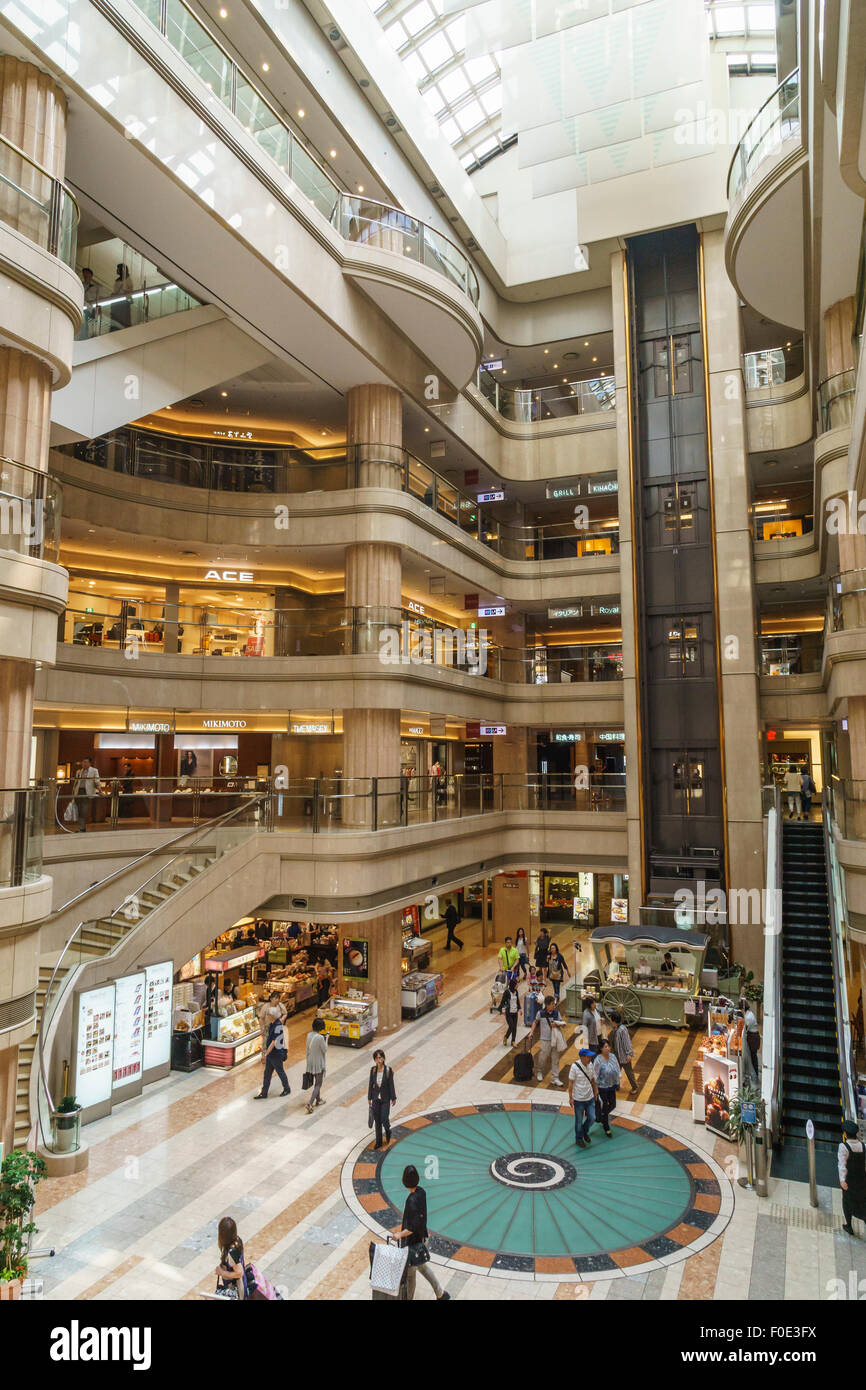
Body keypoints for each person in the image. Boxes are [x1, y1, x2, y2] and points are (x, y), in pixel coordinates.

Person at [393, 1165, 450, 1301]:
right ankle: (440, 1294)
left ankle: (410, 1298)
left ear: (404, 1181)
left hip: (412, 1244)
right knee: (422, 1267)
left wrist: (398, 1235)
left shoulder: (411, 1200)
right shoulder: (421, 1192)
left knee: (411, 1275)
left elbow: (411, 1228)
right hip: (422, 1238)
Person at [529, 995, 566, 1086]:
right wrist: (531, 1032)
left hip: (555, 1040)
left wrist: (557, 1025)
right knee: (543, 1057)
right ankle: (539, 1071)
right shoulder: (540, 1013)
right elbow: (535, 1022)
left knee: (555, 1059)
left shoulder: (557, 1013)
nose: (554, 1005)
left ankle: (555, 1078)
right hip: (545, 1040)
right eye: (553, 1004)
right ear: (547, 1005)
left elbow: (562, 1024)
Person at [255, 1010, 290, 1099]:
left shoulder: (277, 1026)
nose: (267, 1016)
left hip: (276, 1054)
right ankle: (264, 1092)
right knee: (267, 1073)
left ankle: (287, 1089)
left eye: (268, 1014)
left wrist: (265, 1054)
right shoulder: (273, 1024)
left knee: (280, 1072)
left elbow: (274, 1042)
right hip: (272, 1054)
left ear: (273, 1016)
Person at [838, 1119, 865, 1236]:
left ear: (845, 1134)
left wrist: (842, 1180)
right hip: (862, 1179)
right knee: (863, 1201)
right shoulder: (863, 1146)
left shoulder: (843, 1147)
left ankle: (849, 1225)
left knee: (847, 1202)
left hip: (850, 1180)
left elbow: (842, 1164)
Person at [567, 1047, 598, 1149]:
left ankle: (584, 1131)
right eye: (588, 1056)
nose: (590, 1058)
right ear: (582, 1057)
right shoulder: (574, 1067)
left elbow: (593, 1080)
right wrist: (570, 1097)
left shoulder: (590, 1065)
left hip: (590, 1098)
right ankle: (579, 1138)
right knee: (579, 1121)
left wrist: (596, 1091)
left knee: (592, 1117)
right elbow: (571, 1083)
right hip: (579, 1100)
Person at [592, 1038, 621, 1137]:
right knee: (604, 1104)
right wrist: (595, 1089)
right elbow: (594, 1075)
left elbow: (617, 1068)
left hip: (612, 1085)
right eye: (605, 1047)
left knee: (613, 1104)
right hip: (602, 1087)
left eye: (608, 1046)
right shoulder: (598, 1060)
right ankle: (606, 1126)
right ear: (601, 1049)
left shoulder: (613, 1056)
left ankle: (601, 1116)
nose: (608, 1048)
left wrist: (618, 1081)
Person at [368, 1049, 397, 1149]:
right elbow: (371, 1084)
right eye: (376, 1058)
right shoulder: (373, 1070)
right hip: (376, 1099)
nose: (378, 1060)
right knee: (377, 1121)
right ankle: (378, 1141)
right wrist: (369, 1097)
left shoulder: (388, 1070)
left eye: (380, 1057)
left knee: (384, 1118)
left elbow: (391, 1085)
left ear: (383, 1058)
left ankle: (388, 1131)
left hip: (385, 1099)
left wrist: (393, 1098)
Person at [216, 1216, 247, 1298]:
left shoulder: (231, 1252)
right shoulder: (237, 1240)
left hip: (235, 1290)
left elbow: (239, 1273)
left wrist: (222, 1272)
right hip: (240, 1285)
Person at [610, 1013, 639, 1093]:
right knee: (615, 1071)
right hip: (616, 1054)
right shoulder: (615, 1028)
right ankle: (617, 1085)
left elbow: (627, 1042)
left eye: (611, 1019)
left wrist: (629, 1054)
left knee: (629, 1072)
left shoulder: (622, 1030)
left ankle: (635, 1087)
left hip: (624, 1055)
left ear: (614, 1020)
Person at [304, 1016, 328, 1113]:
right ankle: (310, 1103)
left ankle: (318, 1100)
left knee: (316, 1082)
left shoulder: (309, 1035)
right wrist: (327, 1039)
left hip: (310, 1062)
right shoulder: (320, 1038)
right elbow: (325, 1049)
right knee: (318, 1084)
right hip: (318, 1063)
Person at [72, 756, 101, 832]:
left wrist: (100, 790)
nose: (83, 764)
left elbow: (97, 781)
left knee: (83, 811)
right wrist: (73, 792)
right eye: (83, 762)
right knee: (78, 810)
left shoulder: (94, 770)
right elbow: (76, 782)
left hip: (87, 792)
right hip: (78, 792)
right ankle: (81, 828)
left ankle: (82, 828)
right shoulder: (79, 771)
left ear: (89, 763)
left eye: (85, 762)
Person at [740, 996, 761, 1084]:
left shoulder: (748, 1017)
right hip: (753, 1037)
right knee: (753, 1057)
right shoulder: (749, 1013)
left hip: (753, 1038)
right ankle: (754, 1075)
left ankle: (755, 1076)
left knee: (753, 1057)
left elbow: (745, 1029)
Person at [498, 975, 520, 1047]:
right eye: (516, 985)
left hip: (515, 1012)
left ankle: (513, 1041)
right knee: (511, 1026)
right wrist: (502, 1010)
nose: (517, 986)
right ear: (513, 985)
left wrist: (520, 1009)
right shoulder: (507, 992)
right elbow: (502, 1002)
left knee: (515, 1027)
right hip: (508, 1012)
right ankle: (506, 1037)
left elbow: (518, 1001)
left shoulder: (516, 991)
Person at [111, 262, 133, 329]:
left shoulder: (128, 280)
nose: (116, 270)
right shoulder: (118, 280)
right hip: (117, 302)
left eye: (118, 269)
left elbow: (129, 290)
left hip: (123, 303)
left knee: (123, 318)